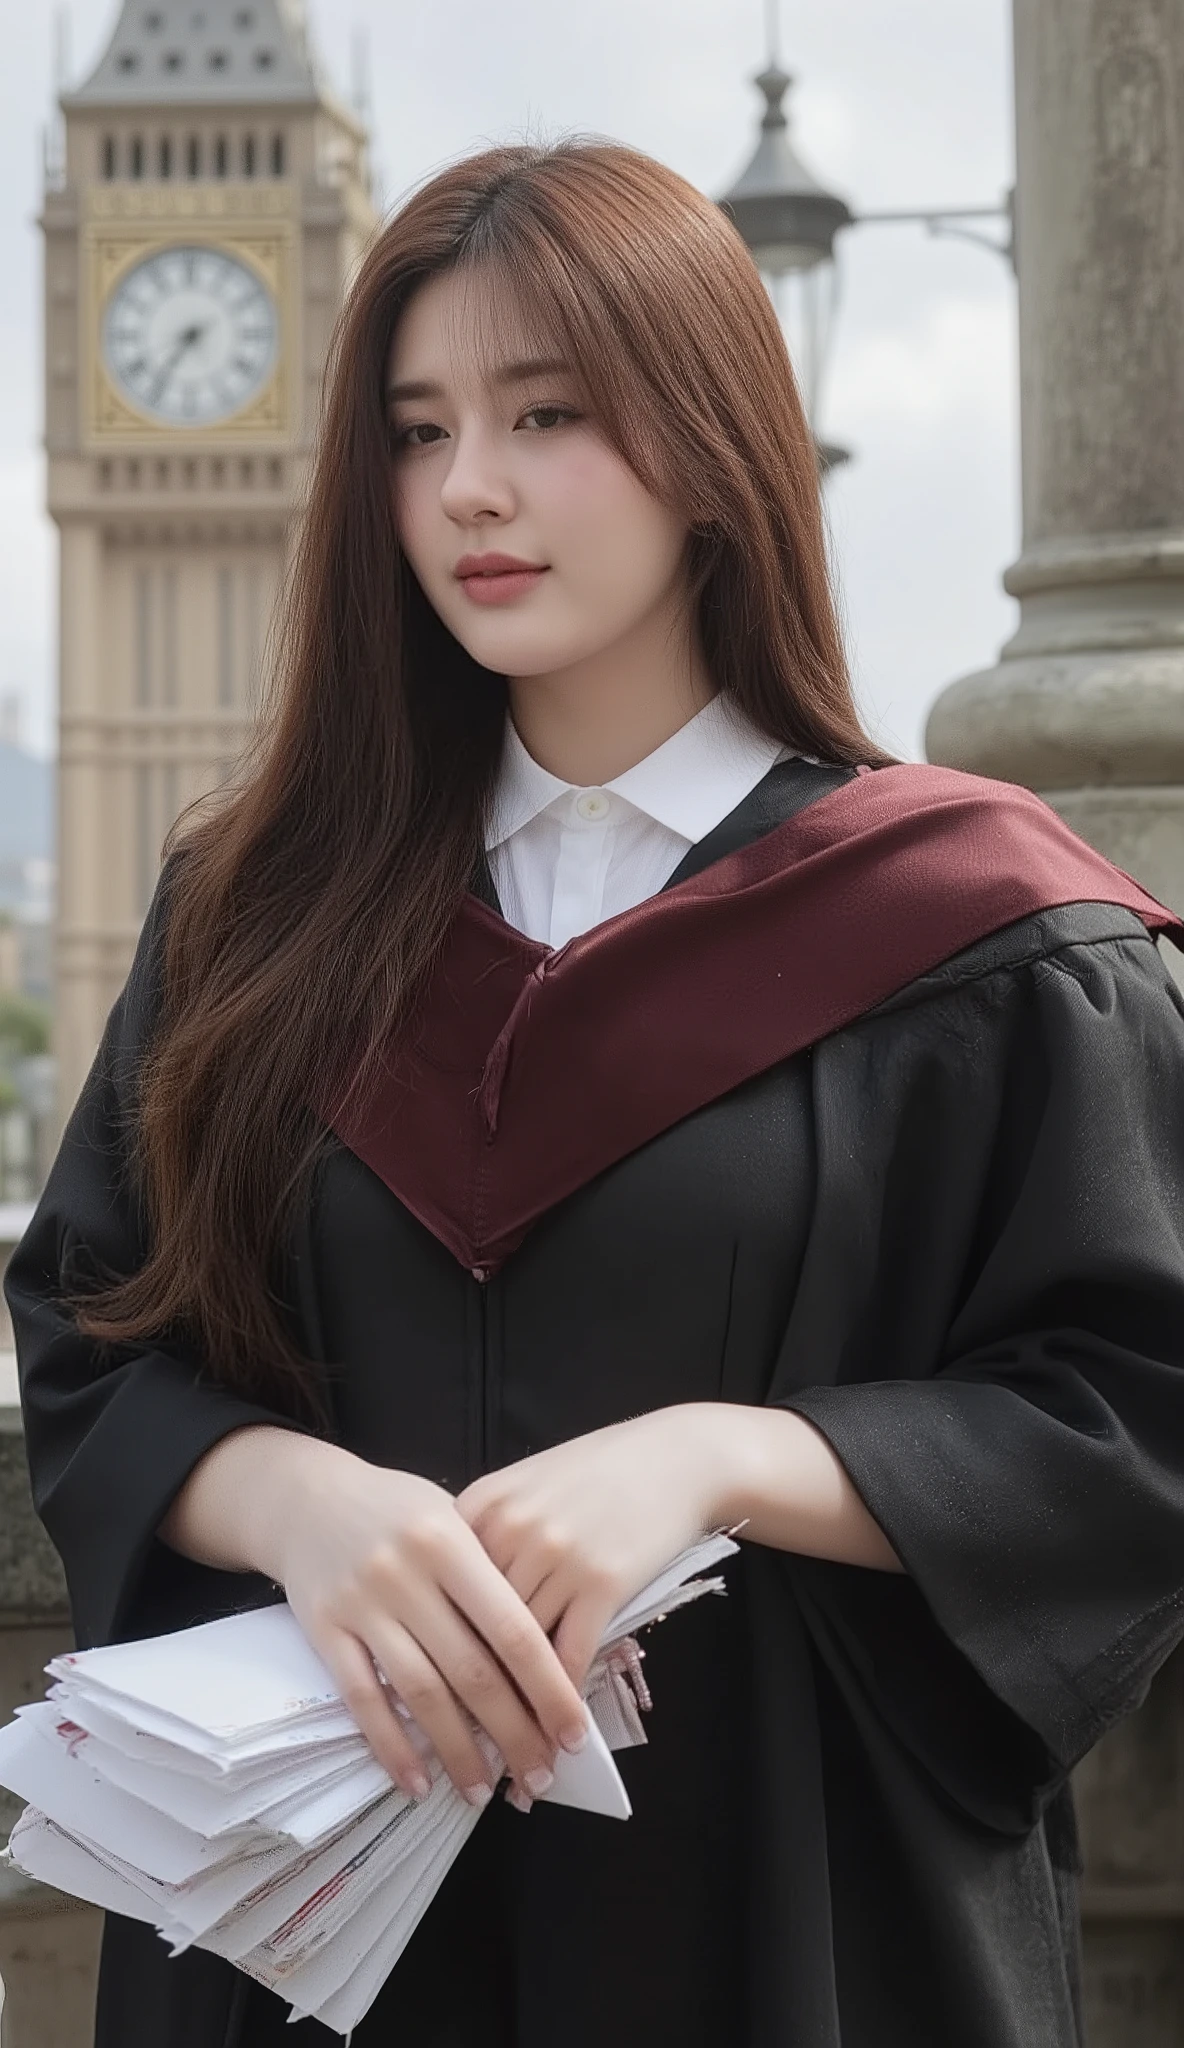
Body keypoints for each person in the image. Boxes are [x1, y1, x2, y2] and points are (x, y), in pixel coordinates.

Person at [8, 139, 1184, 2048]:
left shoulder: (980, 933)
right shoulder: (255, 922)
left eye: (547, 412)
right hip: (310, 1946)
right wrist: (295, 1500)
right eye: (416, 427)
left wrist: (724, 1458)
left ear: (710, 436)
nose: (469, 484)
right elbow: (89, 1332)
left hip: (781, 1923)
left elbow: (1130, 1422)